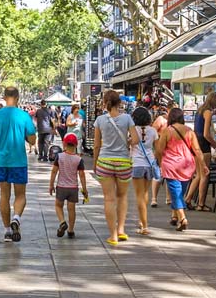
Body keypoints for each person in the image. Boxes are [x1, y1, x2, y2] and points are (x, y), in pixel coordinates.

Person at [0, 86, 37, 243]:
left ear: (4, 96)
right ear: (18, 97)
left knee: (4, 195)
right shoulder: (24, 116)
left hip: (2, 159)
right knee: (20, 195)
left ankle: (7, 230)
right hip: (19, 160)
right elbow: (33, 140)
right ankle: (16, 218)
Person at [93, 89, 139, 245]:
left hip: (105, 161)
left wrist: (95, 164)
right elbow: (136, 139)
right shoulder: (127, 118)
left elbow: (97, 145)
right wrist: (127, 143)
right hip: (123, 162)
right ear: (119, 103)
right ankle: (121, 230)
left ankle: (112, 236)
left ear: (105, 103)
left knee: (109, 199)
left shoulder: (99, 120)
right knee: (122, 196)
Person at [156, 107, 202, 231]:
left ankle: (182, 218)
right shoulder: (190, 131)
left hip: (171, 165)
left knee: (175, 193)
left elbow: (159, 150)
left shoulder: (167, 131)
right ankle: (174, 216)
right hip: (187, 165)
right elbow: (197, 150)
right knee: (179, 191)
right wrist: (203, 166)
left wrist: (161, 163)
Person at [49, 132, 88, 239]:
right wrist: (84, 189)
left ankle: (62, 222)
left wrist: (51, 184)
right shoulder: (78, 159)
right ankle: (71, 230)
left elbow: (54, 172)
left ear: (64, 144)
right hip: (73, 188)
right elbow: (82, 175)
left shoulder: (59, 157)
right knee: (71, 209)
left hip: (61, 187)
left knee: (58, 205)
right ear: (76, 145)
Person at [188, 92, 216, 211]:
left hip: (196, 143)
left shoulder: (200, 111)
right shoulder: (208, 112)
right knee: (204, 175)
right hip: (204, 145)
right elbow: (206, 134)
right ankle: (201, 204)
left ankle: (187, 199)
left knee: (198, 175)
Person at [130, 106, 158, 235]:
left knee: (139, 196)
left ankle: (144, 225)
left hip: (137, 164)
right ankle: (142, 220)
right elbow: (157, 149)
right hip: (149, 164)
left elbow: (127, 143)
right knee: (145, 193)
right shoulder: (153, 131)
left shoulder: (132, 130)